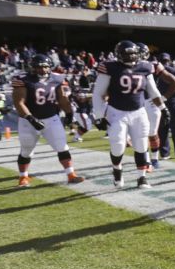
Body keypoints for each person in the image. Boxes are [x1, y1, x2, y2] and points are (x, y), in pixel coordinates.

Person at [93, 40, 166, 188]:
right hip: (116, 112)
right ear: (118, 55)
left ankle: (142, 178)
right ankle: (117, 171)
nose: (131, 57)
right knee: (118, 146)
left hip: (139, 112)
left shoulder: (145, 67)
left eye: (133, 54)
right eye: (127, 54)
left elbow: (153, 91)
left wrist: (164, 108)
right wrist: (99, 116)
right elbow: (98, 93)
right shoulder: (110, 67)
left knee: (141, 145)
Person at [11, 55, 84, 187]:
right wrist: (31, 119)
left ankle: (71, 174)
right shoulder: (23, 79)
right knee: (27, 150)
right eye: (39, 67)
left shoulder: (57, 78)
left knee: (62, 147)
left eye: (45, 66)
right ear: (32, 68)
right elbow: (19, 102)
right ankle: (23, 177)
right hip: (28, 121)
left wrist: (69, 114)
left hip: (51, 118)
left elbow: (62, 99)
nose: (43, 70)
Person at [136, 43, 175, 167]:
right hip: (138, 103)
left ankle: (154, 159)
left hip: (151, 102)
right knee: (141, 134)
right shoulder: (126, 65)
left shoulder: (153, 65)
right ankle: (146, 160)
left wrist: (163, 98)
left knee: (151, 132)